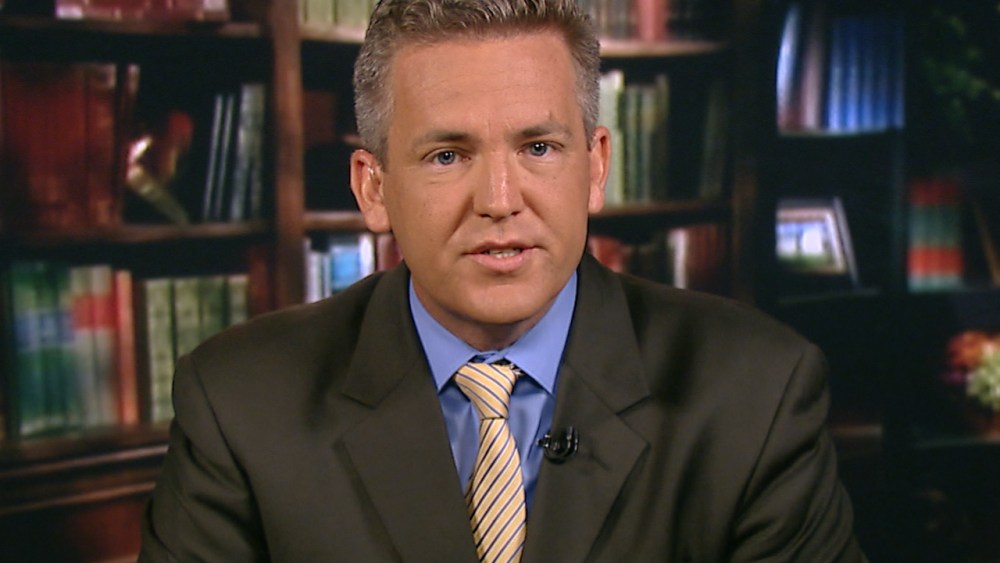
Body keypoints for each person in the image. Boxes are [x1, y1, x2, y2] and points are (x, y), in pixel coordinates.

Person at [140, 0, 868, 561]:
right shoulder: (240, 402)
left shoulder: (757, 393)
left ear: (596, 166)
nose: (499, 199)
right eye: (448, 156)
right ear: (373, 188)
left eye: (539, 147)